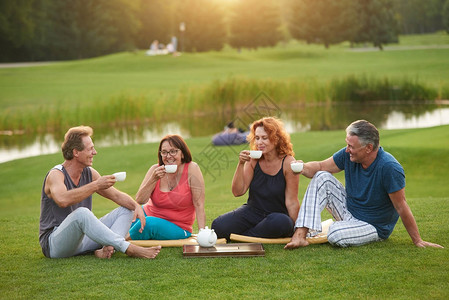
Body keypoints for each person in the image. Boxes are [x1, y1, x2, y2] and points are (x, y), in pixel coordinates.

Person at [285, 120, 444, 249]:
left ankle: (338, 230)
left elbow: (401, 206)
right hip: (349, 212)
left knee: (335, 234)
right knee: (321, 177)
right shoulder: (349, 155)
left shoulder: (389, 168)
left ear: (368, 148)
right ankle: (300, 235)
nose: (347, 150)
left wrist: (418, 240)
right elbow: (320, 166)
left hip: (373, 226)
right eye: (347, 144)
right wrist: (303, 167)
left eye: (351, 146)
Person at [39, 126, 161, 259]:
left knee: (127, 209)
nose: (95, 152)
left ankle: (107, 248)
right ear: (76, 152)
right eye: (90, 149)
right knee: (82, 214)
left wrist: (136, 206)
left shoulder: (89, 173)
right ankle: (128, 248)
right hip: (55, 245)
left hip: (82, 240)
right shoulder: (56, 175)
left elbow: (116, 195)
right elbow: (62, 200)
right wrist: (96, 185)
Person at [212, 117, 300, 240]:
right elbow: (238, 191)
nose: (259, 143)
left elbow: (292, 202)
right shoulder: (253, 160)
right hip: (252, 212)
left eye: (264, 138)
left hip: (276, 215)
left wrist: (298, 232)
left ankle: (244, 236)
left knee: (282, 223)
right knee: (218, 226)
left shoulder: (288, 163)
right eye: (257, 138)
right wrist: (241, 164)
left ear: (276, 139)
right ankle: (252, 235)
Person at [128, 134, 206, 240]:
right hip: (147, 214)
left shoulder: (192, 169)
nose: (168, 156)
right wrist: (153, 179)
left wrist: (202, 235)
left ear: (182, 153)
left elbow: (199, 204)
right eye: (164, 152)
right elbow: (140, 200)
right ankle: (107, 243)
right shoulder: (155, 170)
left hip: (178, 227)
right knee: (126, 212)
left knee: (150, 224)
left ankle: (118, 243)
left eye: (173, 151)